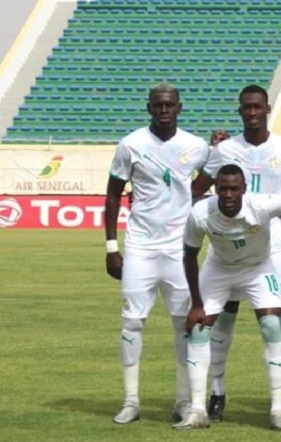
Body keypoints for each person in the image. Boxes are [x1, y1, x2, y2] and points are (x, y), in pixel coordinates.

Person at [191, 84, 281, 422]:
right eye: (246, 107)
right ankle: (217, 392)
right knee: (223, 319)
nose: (252, 113)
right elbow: (197, 188)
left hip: (270, 248)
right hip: (228, 246)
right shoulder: (225, 149)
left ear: (267, 109)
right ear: (240, 111)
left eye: (257, 107)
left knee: (276, 321)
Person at [179, 164, 281, 430]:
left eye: (234, 189)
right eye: (223, 189)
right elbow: (190, 255)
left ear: (244, 189)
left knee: (272, 325)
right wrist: (196, 303)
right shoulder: (201, 213)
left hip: (258, 269)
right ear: (215, 189)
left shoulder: (262, 204)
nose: (228, 194)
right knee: (199, 329)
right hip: (219, 269)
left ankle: (277, 410)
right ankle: (198, 410)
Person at [104, 83, 210, 425]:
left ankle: (183, 401)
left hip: (180, 248)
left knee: (184, 324)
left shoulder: (197, 146)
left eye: (169, 105)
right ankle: (130, 401)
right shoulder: (131, 144)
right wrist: (111, 247)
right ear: (149, 108)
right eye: (158, 105)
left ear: (179, 107)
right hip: (140, 247)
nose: (164, 110)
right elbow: (112, 194)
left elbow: (209, 177)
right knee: (132, 322)